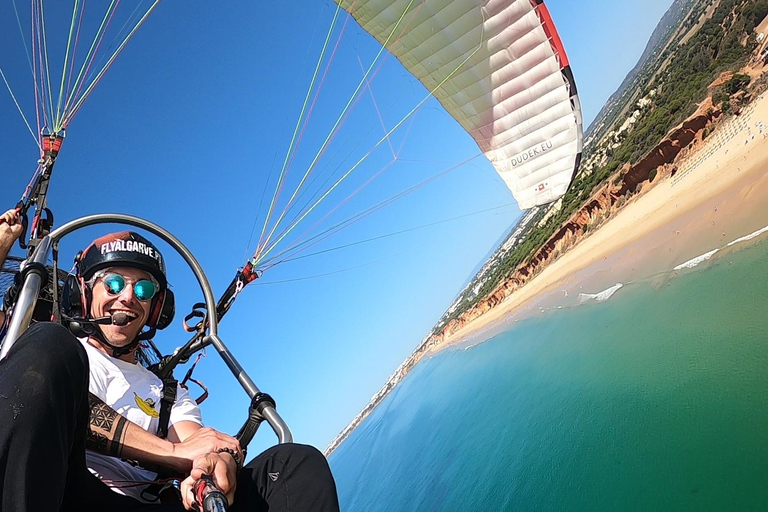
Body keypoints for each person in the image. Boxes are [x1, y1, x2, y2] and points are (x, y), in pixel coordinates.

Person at [0, 209, 340, 511]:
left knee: (293, 464)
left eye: (144, 290)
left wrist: (215, 463)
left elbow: (194, 441)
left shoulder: (167, 392)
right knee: (49, 342)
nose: (129, 297)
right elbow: (33, 394)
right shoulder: (51, 353)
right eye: (114, 282)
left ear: (156, 310)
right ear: (85, 293)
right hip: (66, 492)